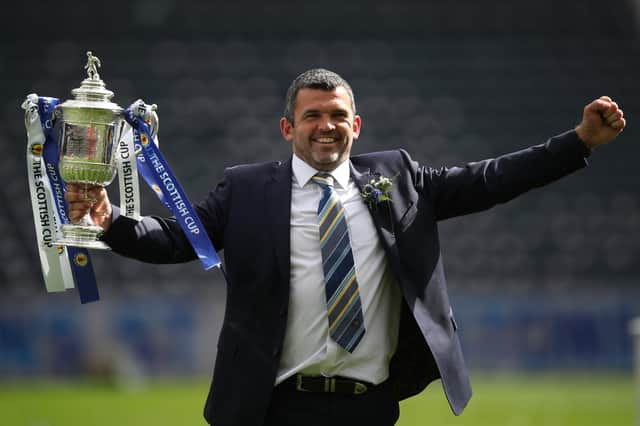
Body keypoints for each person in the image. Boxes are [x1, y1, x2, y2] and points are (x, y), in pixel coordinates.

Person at [66, 68, 626, 426]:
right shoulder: (245, 189)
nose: (326, 126)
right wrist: (112, 220)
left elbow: (489, 179)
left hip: (370, 406)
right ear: (288, 128)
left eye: (338, 116)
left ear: (356, 124)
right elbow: (176, 241)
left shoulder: (398, 176)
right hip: (273, 407)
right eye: (313, 116)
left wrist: (576, 142)